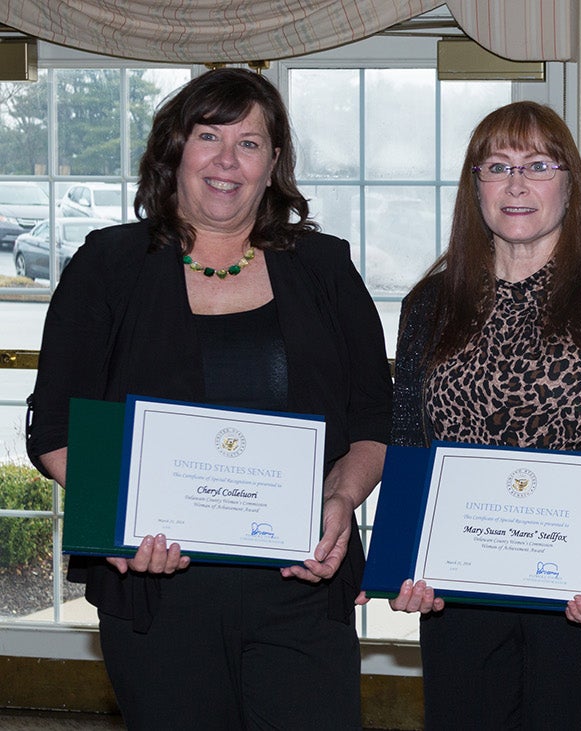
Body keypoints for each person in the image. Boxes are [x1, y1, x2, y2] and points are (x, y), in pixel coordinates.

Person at [25, 67, 391, 728]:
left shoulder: (325, 268)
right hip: (156, 594)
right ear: (176, 150)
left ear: (274, 162)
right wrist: (116, 519)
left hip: (300, 588)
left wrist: (341, 497)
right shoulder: (107, 266)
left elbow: (373, 417)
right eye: (209, 135)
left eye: (249, 143)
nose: (227, 159)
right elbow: (53, 426)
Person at [385, 100, 581, 729]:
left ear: (570, 184)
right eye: (497, 166)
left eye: (538, 165)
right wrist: (406, 558)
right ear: (475, 186)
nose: (517, 184)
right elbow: (408, 440)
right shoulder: (429, 305)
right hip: (461, 600)